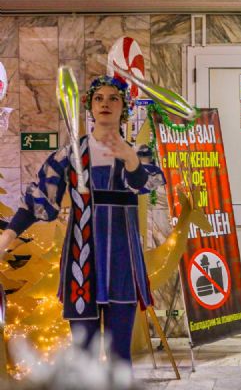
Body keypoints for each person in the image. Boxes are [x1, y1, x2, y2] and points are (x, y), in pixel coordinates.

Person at [0, 75, 165, 364]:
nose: (105, 103)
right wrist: (6, 238)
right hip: (81, 262)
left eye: (113, 98)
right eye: (98, 98)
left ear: (124, 107)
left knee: (119, 356)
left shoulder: (139, 153)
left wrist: (130, 159)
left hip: (123, 263)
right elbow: (38, 201)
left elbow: (145, 184)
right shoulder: (69, 155)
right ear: (90, 106)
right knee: (84, 356)